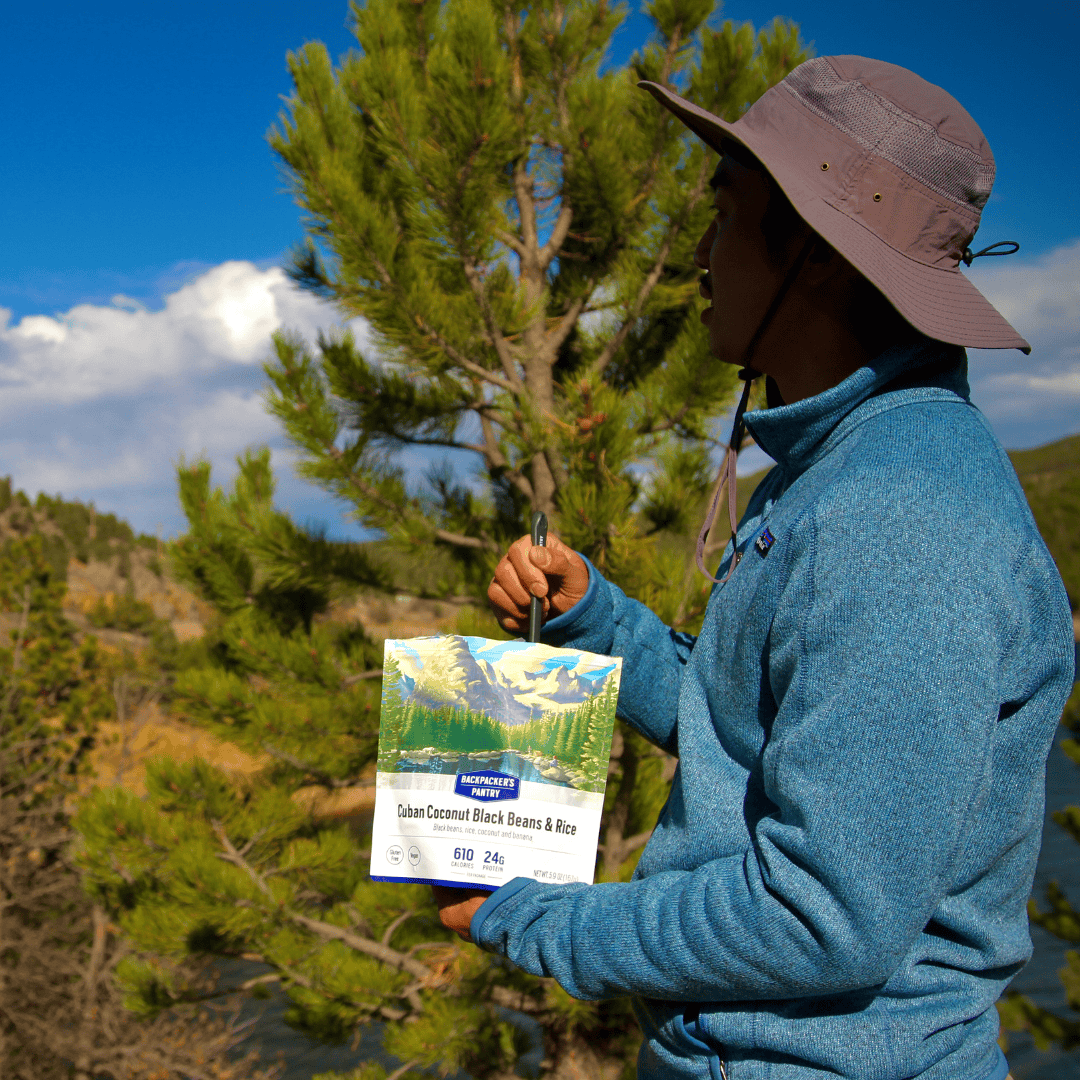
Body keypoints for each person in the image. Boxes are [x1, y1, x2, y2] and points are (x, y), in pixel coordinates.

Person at [433, 56, 1075, 1080]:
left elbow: (823, 916)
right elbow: (756, 729)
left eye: (724, 215)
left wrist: (545, 920)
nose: (699, 254)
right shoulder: (842, 467)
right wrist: (602, 624)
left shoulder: (901, 518)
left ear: (815, 254)